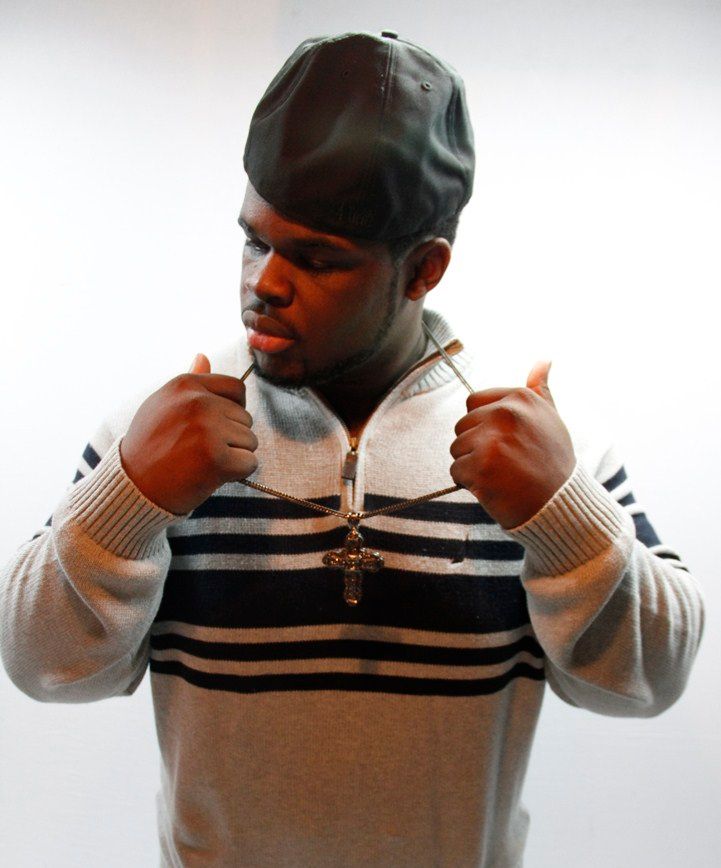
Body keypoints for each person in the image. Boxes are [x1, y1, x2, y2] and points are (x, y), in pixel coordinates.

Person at [0, 31, 704, 867]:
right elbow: (42, 669)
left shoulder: (542, 447)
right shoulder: (159, 435)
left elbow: (648, 685)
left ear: (424, 270)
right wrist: (128, 498)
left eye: (315, 259)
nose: (263, 282)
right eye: (254, 240)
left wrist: (562, 516)